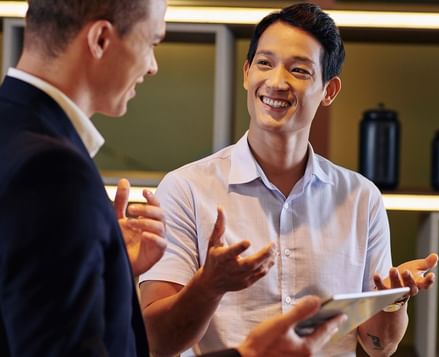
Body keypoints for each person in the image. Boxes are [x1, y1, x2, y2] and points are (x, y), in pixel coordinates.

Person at [0, 0, 346, 356]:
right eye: (152, 42)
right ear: (101, 39)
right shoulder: (53, 169)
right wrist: (251, 355)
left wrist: (106, 263)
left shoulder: (16, 134)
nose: (152, 67)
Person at [139, 3, 439, 357]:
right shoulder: (186, 189)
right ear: (246, 73)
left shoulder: (361, 198)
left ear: (329, 90)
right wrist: (210, 285)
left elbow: (380, 346)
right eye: (265, 64)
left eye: (299, 70)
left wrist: (391, 300)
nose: (277, 82)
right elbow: (155, 341)